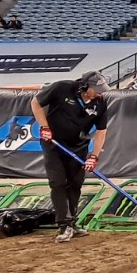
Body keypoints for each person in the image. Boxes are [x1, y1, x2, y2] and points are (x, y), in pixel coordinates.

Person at [30, 71, 110, 243]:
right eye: (96, 89)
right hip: (54, 144)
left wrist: (94, 156)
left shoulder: (101, 102)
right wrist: (44, 127)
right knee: (58, 182)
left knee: (75, 184)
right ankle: (63, 225)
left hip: (79, 146)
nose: (100, 92)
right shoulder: (61, 88)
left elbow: (101, 132)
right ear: (85, 87)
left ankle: (72, 222)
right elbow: (36, 103)